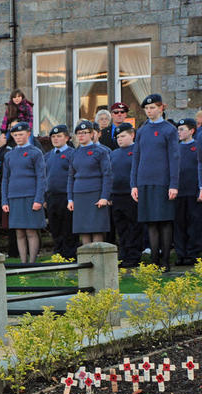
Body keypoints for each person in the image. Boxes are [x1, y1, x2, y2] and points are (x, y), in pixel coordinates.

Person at [130, 94, 179, 271]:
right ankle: (154, 260)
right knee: (150, 222)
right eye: (147, 108)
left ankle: (165, 261)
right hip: (144, 182)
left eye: (152, 108)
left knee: (164, 222)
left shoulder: (169, 129)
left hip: (163, 182)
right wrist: (133, 184)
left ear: (161, 108)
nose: (149, 111)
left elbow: (174, 158)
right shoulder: (142, 130)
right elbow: (136, 157)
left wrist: (174, 184)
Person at [1, 122, 45, 263]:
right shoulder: (9, 155)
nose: (18, 137)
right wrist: (4, 201)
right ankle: (23, 262)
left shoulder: (35, 153)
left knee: (31, 231)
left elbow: (41, 177)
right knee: (19, 231)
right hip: (14, 197)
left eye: (21, 134)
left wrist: (39, 199)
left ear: (28, 134)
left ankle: (32, 262)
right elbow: (5, 179)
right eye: (15, 135)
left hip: (31, 197)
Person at [67, 120, 112, 245]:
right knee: (83, 229)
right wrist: (70, 199)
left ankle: (99, 261)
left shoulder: (101, 151)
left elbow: (107, 175)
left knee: (97, 229)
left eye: (84, 133)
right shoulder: (74, 153)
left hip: (96, 194)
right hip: (79, 194)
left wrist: (104, 196)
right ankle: (86, 261)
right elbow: (71, 177)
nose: (81, 135)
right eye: (78, 133)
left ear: (92, 134)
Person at [109, 123, 144, 267]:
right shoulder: (114, 153)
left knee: (133, 226)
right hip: (116, 195)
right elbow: (109, 174)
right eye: (118, 137)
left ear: (132, 135)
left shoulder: (138, 150)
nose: (120, 139)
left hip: (131, 195)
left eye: (123, 136)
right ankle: (123, 254)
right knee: (121, 227)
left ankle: (134, 255)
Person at [44, 124, 78, 259]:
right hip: (52, 197)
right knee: (55, 227)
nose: (56, 139)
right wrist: (44, 197)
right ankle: (58, 254)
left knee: (68, 227)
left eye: (59, 136)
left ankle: (69, 254)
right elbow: (44, 177)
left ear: (67, 138)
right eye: (53, 136)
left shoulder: (72, 154)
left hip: (67, 196)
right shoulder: (47, 156)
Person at [173, 118, 201, 265]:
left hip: (193, 191)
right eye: (178, 130)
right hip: (178, 192)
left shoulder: (197, 147)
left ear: (191, 131)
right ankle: (181, 254)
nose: (179, 132)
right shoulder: (175, 148)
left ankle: (193, 253)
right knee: (179, 224)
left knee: (194, 223)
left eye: (182, 129)